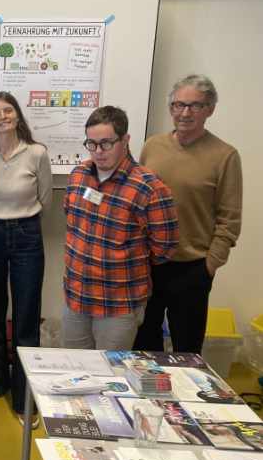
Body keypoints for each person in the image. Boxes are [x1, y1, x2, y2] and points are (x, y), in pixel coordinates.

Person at [134, 75, 242, 354]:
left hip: (192, 268)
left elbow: (230, 219)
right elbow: (137, 200)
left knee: (187, 351)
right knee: (144, 345)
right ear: (171, 107)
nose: (185, 113)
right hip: (149, 263)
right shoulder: (152, 146)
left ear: (210, 109)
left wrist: (209, 264)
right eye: (179, 104)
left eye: (195, 106)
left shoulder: (225, 155)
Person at [63, 106, 179, 351]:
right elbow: (72, 223)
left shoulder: (149, 188)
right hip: (76, 298)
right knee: (74, 374)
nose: (98, 152)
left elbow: (164, 249)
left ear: (125, 140)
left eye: (106, 143)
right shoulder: (78, 176)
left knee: (110, 379)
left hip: (117, 306)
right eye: (91, 144)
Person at [0, 93, 52, 426]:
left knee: (26, 318)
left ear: (17, 116)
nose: (2, 116)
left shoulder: (36, 153)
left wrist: (18, 218)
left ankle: (23, 398)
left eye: (8, 110)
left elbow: (45, 197)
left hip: (27, 236)